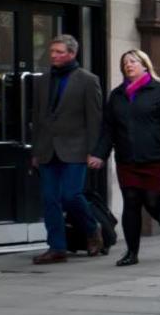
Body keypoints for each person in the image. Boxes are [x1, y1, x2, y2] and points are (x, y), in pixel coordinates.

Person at [94, 49, 160, 266]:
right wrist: (99, 154)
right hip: (127, 159)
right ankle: (131, 253)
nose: (128, 65)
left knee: (153, 203)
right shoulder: (117, 95)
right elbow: (108, 129)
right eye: (125, 62)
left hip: (156, 158)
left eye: (133, 61)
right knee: (131, 202)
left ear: (145, 65)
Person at [28, 34, 104, 265]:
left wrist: (95, 151)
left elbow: (95, 119)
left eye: (59, 52)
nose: (54, 56)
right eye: (52, 51)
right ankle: (57, 247)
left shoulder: (88, 80)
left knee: (70, 196)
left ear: (72, 54)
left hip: (76, 149)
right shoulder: (42, 80)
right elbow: (37, 117)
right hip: (47, 148)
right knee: (50, 199)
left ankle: (92, 229)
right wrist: (36, 151)